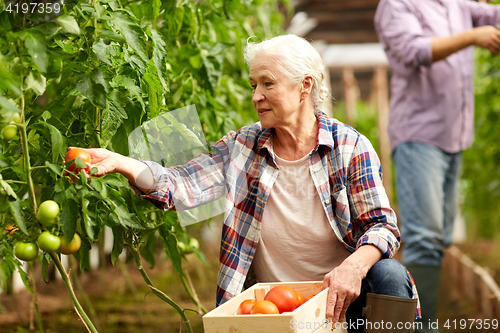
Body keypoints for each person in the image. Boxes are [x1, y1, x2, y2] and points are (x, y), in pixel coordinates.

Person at [74, 34, 419, 332]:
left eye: (268, 84)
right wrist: (123, 163)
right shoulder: (242, 148)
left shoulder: (349, 147)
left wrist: (352, 269)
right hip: (273, 307)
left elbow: (382, 227)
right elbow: (180, 184)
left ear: (305, 86)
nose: (256, 96)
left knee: (388, 276)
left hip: (344, 304)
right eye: (254, 85)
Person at [374, 1, 500, 332]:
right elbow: (414, 51)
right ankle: (420, 326)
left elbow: (492, 16)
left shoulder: (454, 2)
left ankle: (422, 312)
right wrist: (472, 36)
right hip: (419, 136)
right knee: (424, 237)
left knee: (439, 236)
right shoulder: (397, 5)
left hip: (454, 136)